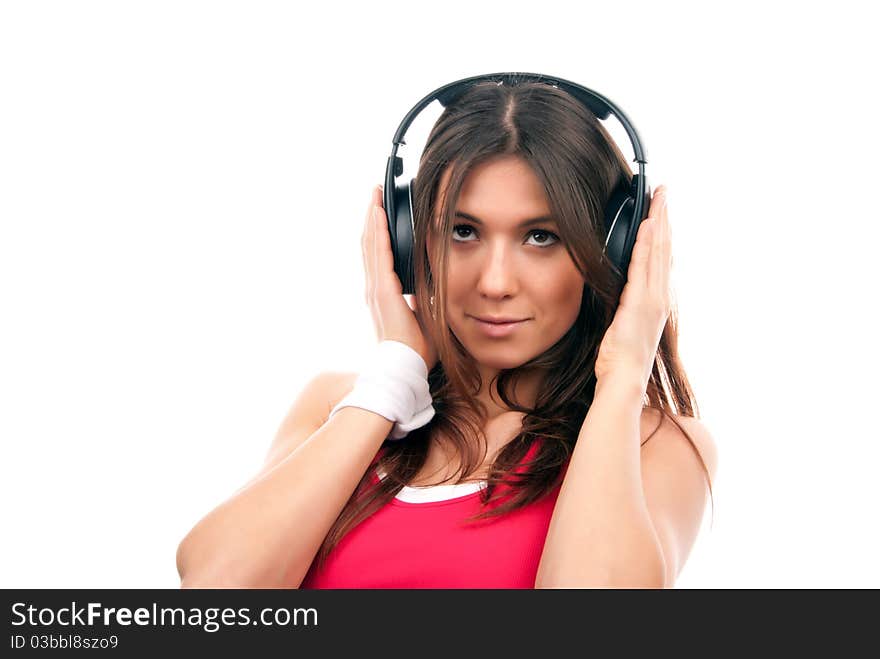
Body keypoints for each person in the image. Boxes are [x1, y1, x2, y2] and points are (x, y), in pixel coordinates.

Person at [175, 79, 718, 589]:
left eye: (540, 236)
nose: (496, 282)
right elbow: (215, 590)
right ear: (412, 242)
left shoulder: (653, 443)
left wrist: (623, 376)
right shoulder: (340, 405)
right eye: (463, 231)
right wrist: (393, 375)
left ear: (615, 250)